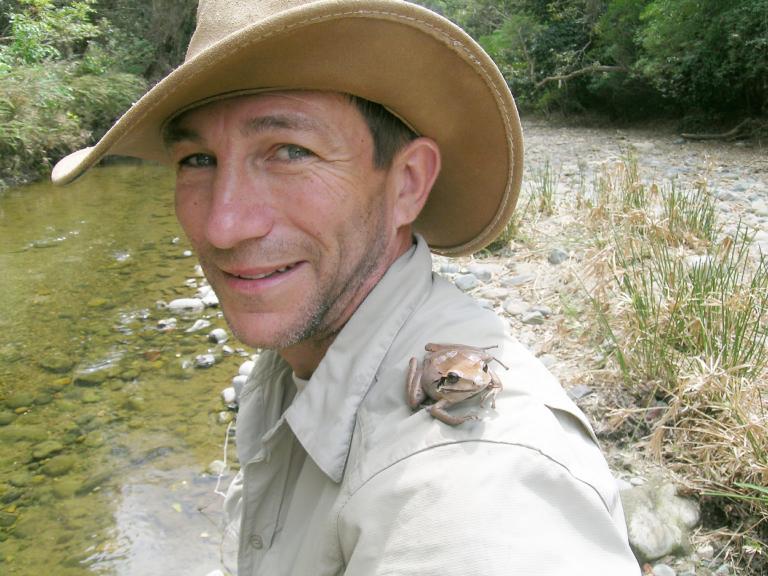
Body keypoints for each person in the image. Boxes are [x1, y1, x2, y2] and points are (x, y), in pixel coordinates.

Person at [53, 1, 641, 574]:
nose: (222, 226)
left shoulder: (479, 483)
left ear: (407, 185)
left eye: (290, 151)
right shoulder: (303, 352)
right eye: (198, 160)